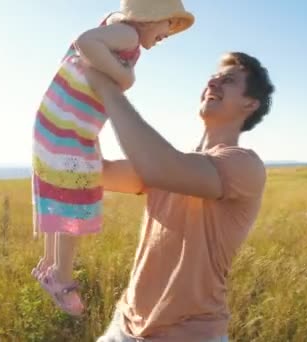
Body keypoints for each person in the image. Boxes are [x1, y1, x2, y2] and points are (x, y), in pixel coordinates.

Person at [87, 52, 275, 341]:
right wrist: (81, 104)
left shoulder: (245, 165)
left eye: (228, 80)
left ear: (250, 104)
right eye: (214, 76)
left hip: (188, 332)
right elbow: (100, 171)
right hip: (125, 324)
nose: (213, 81)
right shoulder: (173, 165)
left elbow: (161, 165)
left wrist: (109, 90)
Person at [31, 0, 195, 316]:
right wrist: (125, 76)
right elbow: (84, 41)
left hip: (57, 123)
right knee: (75, 199)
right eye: (168, 23)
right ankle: (61, 277)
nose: (169, 32)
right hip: (68, 128)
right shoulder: (128, 35)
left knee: (62, 191)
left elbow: (87, 55)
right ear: (150, 17)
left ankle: (51, 265)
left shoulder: (117, 30)